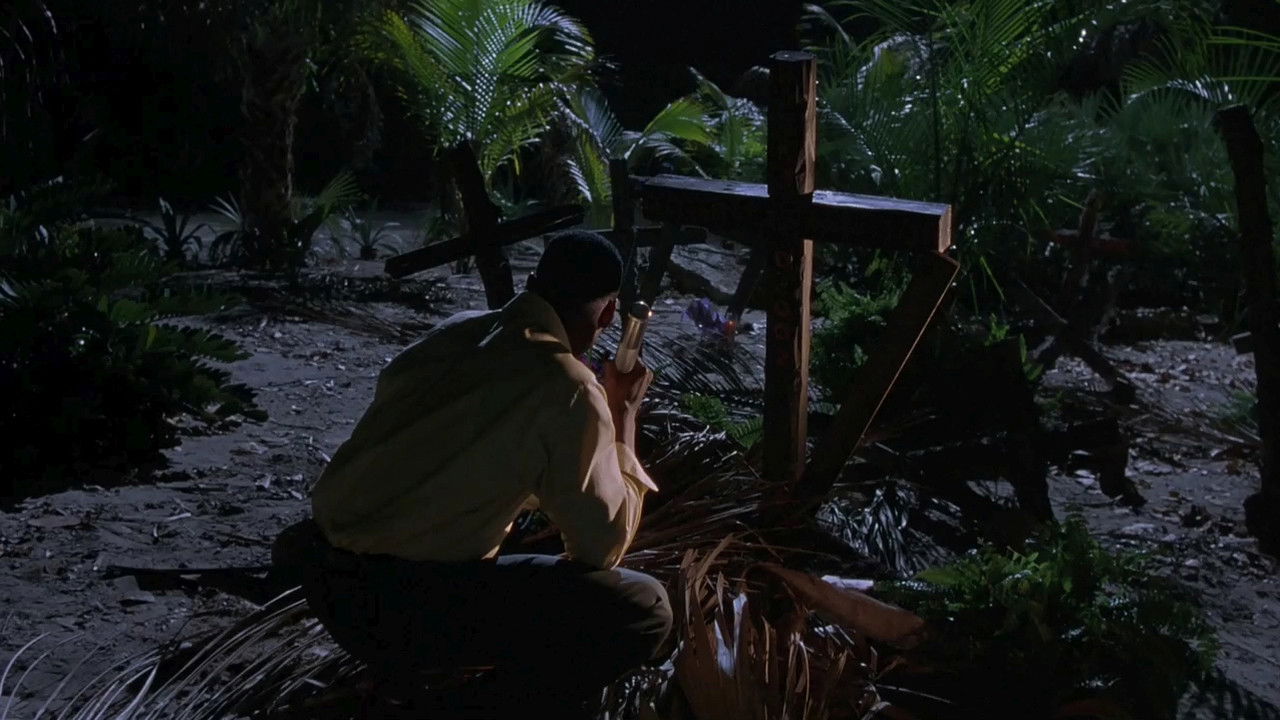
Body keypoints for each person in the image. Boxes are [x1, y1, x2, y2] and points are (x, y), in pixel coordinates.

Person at [272, 230, 671, 717]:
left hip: (322, 572)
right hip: (399, 609)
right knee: (645, 609)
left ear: (533, 281)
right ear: (608, 315)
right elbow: (602, 545)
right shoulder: (567, 385)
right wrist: (622, 414)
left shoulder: (454, 331)